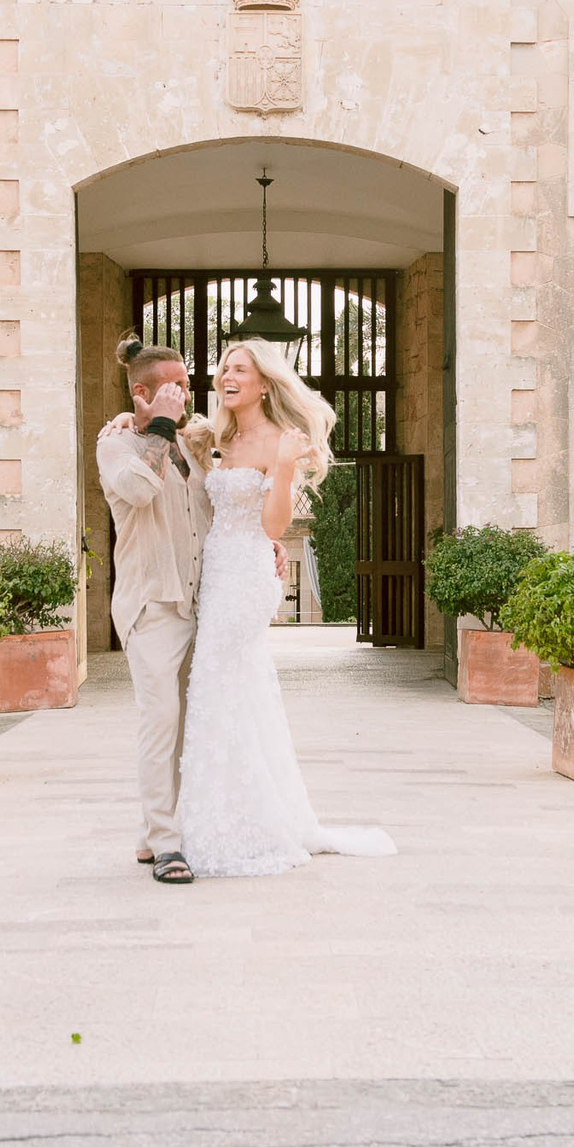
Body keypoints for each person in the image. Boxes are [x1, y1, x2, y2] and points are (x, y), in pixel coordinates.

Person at [171, 339, 394, 877]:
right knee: (224, 687)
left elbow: (273, 527)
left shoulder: (281, 441)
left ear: (264, 382)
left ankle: (243, 823)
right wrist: (122, 424)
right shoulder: (215, 436)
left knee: (219, 681)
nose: (228, 375)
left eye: (240, 369)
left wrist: (287, 468)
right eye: (225, 367)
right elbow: (164, 432)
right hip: (216, 571)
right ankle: (223, 813)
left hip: (247, 573)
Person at [93, 337, 214, 885]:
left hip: (198, 604)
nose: (184, 394)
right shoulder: (115, 445)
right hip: (151, 606)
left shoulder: (191, 445)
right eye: (173, 387)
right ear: (141, 392)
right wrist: (155, 426)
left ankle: (153, 834)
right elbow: (138, 491)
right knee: (160, 722)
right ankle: (167, 845)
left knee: (190, 725)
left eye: (186, 385)